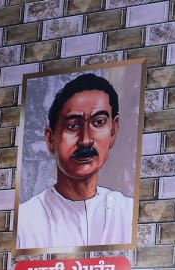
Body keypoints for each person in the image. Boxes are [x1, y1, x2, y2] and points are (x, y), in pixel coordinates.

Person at [16, 72, 135, 250]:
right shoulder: (25, 222)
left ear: (113, 130)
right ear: (50, 139)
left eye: (99, 122)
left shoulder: (128, 213)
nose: (86, 140)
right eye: (73, 126)